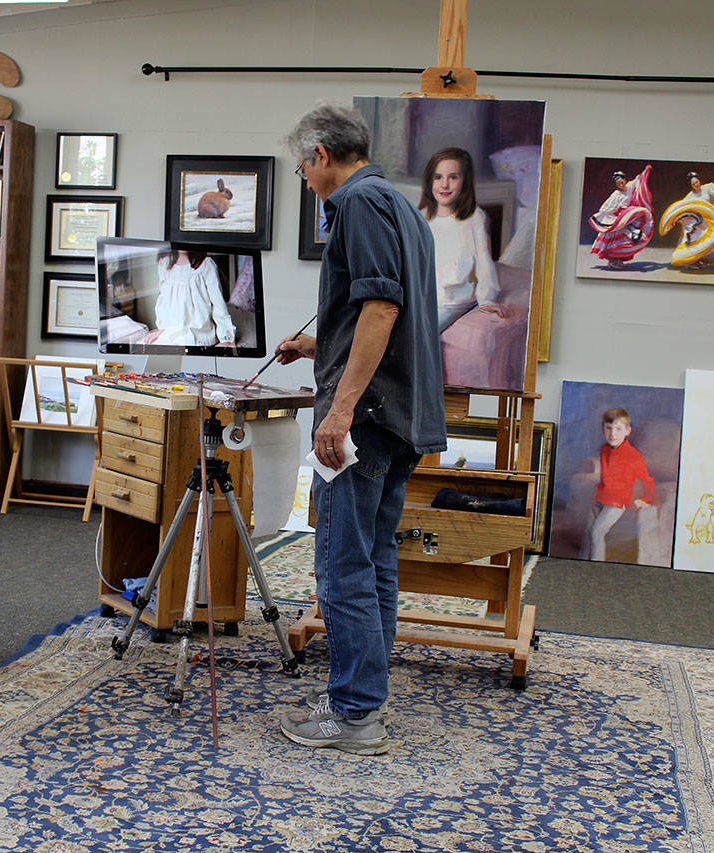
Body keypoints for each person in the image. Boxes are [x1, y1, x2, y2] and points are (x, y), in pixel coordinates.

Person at [275, 104, 445, 755]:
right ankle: (361, 699)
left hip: (366, 422)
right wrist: (318, 345)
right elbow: (380, 319)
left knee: (342, 565)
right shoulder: (402, 206)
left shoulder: (359, 203)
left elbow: (380, 308)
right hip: (401, 415)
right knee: (372, 564)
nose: (305, 179)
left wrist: (339, 411)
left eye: (301, 168)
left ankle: (353, 716)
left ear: (321, 155)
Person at [415, 147, 503, 332]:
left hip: (453, 300)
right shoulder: (421, 218)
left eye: (453, 177)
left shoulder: (473, 218)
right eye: (438, 177)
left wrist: (486, 298)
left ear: (465, 182)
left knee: (418, 335)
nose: (444, 184)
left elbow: (483, 261)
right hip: (424, 297)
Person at [580, 408, 655, 562]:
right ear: (603, 429)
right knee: (589, 531)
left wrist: (646, 499)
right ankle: (582, 562)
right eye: (609, 428)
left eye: (618, 429)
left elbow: (647, 480)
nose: (613, 434)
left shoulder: (634, 456)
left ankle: (595, 568)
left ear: (628, 431)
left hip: (617, 502)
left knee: (597, 532)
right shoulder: (604, 450)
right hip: (601, 497)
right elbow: (607, 477)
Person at [147, 249, 236, 347]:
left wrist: (226, 337)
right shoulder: (165, 262)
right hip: (172, 330)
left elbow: (218, 303)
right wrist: (163, 330)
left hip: (199, 331)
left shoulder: (206, 265)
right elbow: (164, 300)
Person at [663, 172, 714, 267]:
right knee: (694, 239)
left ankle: (701, 258)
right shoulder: (690, 196)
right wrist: (676, 217)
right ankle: (692, 260)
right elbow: (683, 206)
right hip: (695, 222)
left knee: (708, 241)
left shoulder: (707, 188)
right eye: (693, 184)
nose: (696, 185)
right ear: (691, 186)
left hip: (707, 221)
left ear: (699, 181)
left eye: (697, 182)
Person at [587, 166, 653, 268]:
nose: (621, 185)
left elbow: (638, 179)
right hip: (618, 220)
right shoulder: (616, 194)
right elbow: (605, 208)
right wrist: (618, 211)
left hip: (626, 218)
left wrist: (646, 171)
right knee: (614, 242)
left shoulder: (630, 187)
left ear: (625, 180)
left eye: (622, 182)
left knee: (626, 239)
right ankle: (612, 261)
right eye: (618, 184)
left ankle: (618, 260)